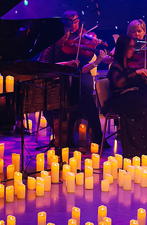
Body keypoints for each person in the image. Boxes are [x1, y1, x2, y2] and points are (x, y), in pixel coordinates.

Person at [39, 10, 108, 150]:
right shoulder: (51, 46)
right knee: (76, 99)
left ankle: (93, 136)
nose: (66, 37)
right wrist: (67, 64)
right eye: (64, 34)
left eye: (68, 34)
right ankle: (66, 138)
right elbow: (45, 66)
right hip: (55, 85)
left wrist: (97, 61)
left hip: (70, 84)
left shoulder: (72, 45)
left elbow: (81, 68)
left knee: (85, 100)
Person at [105, 35, 147, 159]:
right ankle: (143, 152)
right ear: (122, 48)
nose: (132, 50)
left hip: (134, 98)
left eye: (133, 47)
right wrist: (135, 73)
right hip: (121, 100)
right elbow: (118, 83)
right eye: (129, 47)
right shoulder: (116, 66)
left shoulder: (132, 65)